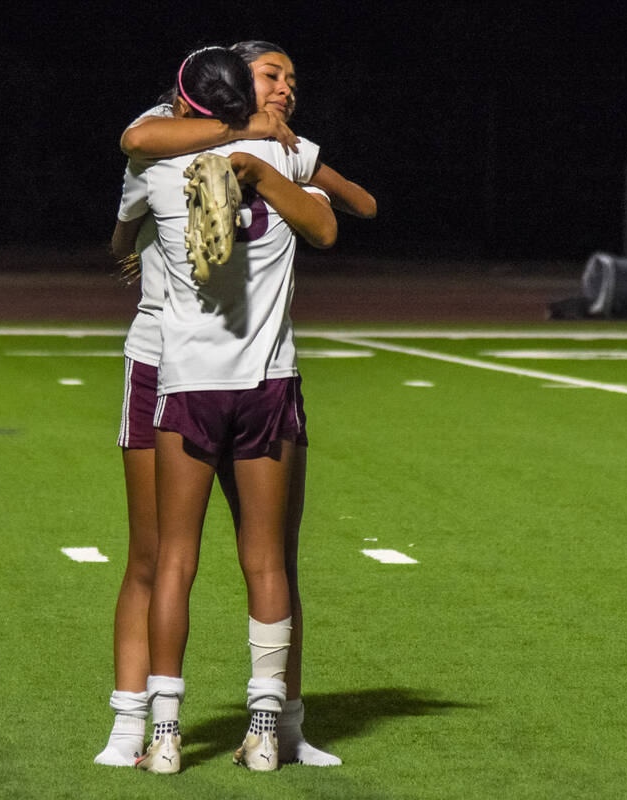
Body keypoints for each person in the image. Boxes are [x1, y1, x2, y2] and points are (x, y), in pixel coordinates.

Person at [95, 42, 373, 770]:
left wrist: (270, 154)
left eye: (292, 78)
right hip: (165, 361)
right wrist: (245, 142)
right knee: (154, 555)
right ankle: (132, 725)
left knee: (272, 554)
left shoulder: (284, 148)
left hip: (235, 370)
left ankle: (276, 724)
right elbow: (134, 161)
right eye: (272, 76)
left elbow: (351, 206)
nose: (286, 89)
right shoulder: (172, 128)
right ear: (227, 84)